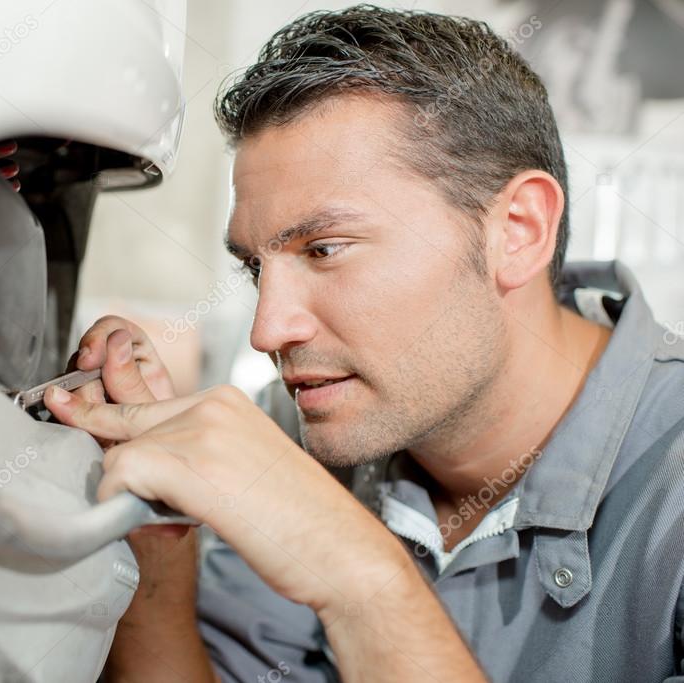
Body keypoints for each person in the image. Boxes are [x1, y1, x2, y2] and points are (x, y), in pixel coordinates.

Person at [42, 6, 684, 682]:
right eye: (256, 268)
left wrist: (359, 575)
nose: (268, 331)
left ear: (517, 231)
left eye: (323, 248)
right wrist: (154, 551)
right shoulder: (289, 434)